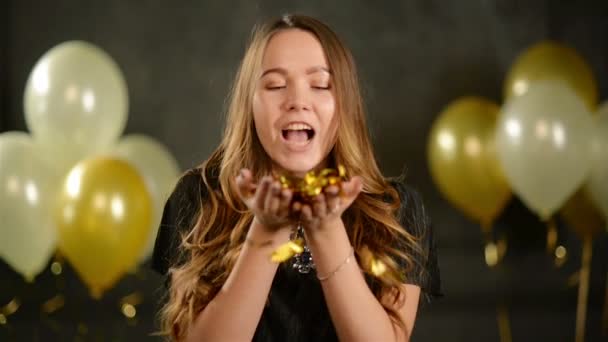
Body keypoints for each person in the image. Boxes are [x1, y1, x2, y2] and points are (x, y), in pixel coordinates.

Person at [151, 14, 441, 342]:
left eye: (319, 85)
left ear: (345, 103)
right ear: (250, 103)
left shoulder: (396, 210)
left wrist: (326, 230)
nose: (297, 102)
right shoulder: (199, 196)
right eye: (275, 85)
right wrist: (267, 231)